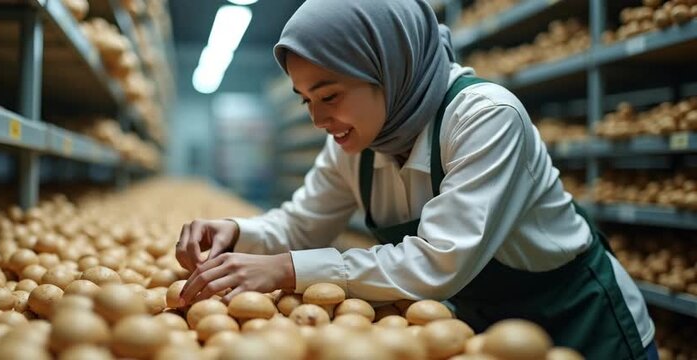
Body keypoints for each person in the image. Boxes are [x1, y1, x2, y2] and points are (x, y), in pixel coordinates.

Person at [175, 0, 656, 358]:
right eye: (306, 101)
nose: (319, 119)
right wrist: (240, 231)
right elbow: (302, 223)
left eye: (330, 95)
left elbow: (439, 261)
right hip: (481, 326)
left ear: (387, 68)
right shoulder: (355, 141)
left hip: (580, 320)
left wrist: (287, 269)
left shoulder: (484, 118)